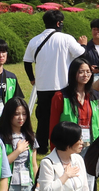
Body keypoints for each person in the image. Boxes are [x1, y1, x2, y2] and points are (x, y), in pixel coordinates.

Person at [24, 9, 84, 153]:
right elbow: (81, 54)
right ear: (58, 23)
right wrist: (82, 44)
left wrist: (32, 78)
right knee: (64, 117)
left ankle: (42, 146)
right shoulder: (66, 38)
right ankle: (63, 144)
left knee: (43, 118)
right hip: (63, 85)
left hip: (43, 86)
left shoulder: (35, 40)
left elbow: (27, 62)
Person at [51, 58, 97, 149]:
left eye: (88, 71)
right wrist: (54, 148)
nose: (86, 75)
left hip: (90, 145)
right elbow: (53, 124)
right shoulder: (60, 96)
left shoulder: (95, 96)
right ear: (73, 73)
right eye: (81, 72)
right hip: (68, 146)